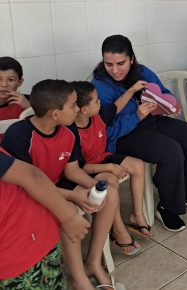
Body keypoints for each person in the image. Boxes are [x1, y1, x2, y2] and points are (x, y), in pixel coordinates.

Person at [2, 79, 124, 290]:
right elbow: (29, 184)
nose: (77, 109)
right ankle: (79, 278)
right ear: (55, 114)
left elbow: (72, 170)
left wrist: (93, 188)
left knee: (109, 194)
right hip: (33, 193)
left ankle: (93, 262)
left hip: (58, 182)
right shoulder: (18, 135)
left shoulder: (67, 129)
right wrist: (75, 196)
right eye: (73, 105)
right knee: (68, 210)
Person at [91, 35, 187, 233]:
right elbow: (105, 132)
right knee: (170, 151)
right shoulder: (99, 87)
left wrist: (171, 105)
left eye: (120, 63)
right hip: (123, 136)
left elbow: (163, 93)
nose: (114, 70)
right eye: (108, 64)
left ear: (131, 59)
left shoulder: (142, 72)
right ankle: (167, 206)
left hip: (151, 121)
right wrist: (136, 116)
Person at [72, 81, 152, 243]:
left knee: (137, 165)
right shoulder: (72, 133)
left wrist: (132, 89)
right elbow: (79, 167)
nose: (100, 102)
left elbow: (117, 106)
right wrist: (109, 167)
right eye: (96, 100)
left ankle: (137, 215)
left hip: (102, 156)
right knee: (110, 180)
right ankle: (117, 227)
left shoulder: (97, 115)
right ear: (84, 109)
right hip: (87, 168)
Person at [0, 147, 90, 289]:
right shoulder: (19, 139)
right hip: (19, 251)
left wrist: (69, 216)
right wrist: (69, 216)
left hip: (29, 242)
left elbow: (31, 177)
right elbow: (32, 177)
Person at [0, 56, 30, 121]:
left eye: (10, 79)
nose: (4, 84)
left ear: (20, 82)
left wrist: (29, 109)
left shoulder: (31, 101)